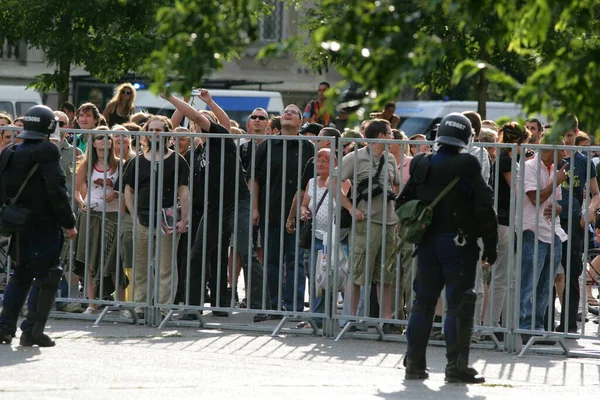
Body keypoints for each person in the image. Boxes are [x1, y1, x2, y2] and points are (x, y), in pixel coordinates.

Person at [397, 113, 498, 383]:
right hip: (459, 244)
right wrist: (491, 245)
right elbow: (485, 206)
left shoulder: (421, 162)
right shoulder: (468, 163)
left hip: (427, 243)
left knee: (423, 302)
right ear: (467, 137)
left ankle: (414, 363)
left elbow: (403, 201)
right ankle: (455, 367)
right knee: (459, 303)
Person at [0, 105, 77, 346]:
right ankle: (32, 330)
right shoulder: (47, 150)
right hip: (45, 225)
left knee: (20, 274)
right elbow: (56, 190)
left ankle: (4, 327)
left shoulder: (10, 151)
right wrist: (69, 222)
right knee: (47, 276)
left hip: (19, 224)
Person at [122, 115, 190, 318]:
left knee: (166, 268)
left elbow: (183, 191)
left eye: (159, 130)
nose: (155, 133)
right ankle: (140, 307)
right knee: (140, 266)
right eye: (151, 130)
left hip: (167, 217)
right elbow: (128, 190)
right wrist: (133, 215)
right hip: (142, 219)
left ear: (167, 133)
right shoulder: (137, 161)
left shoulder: (178, 159)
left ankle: (163, 309)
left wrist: (183, 219)